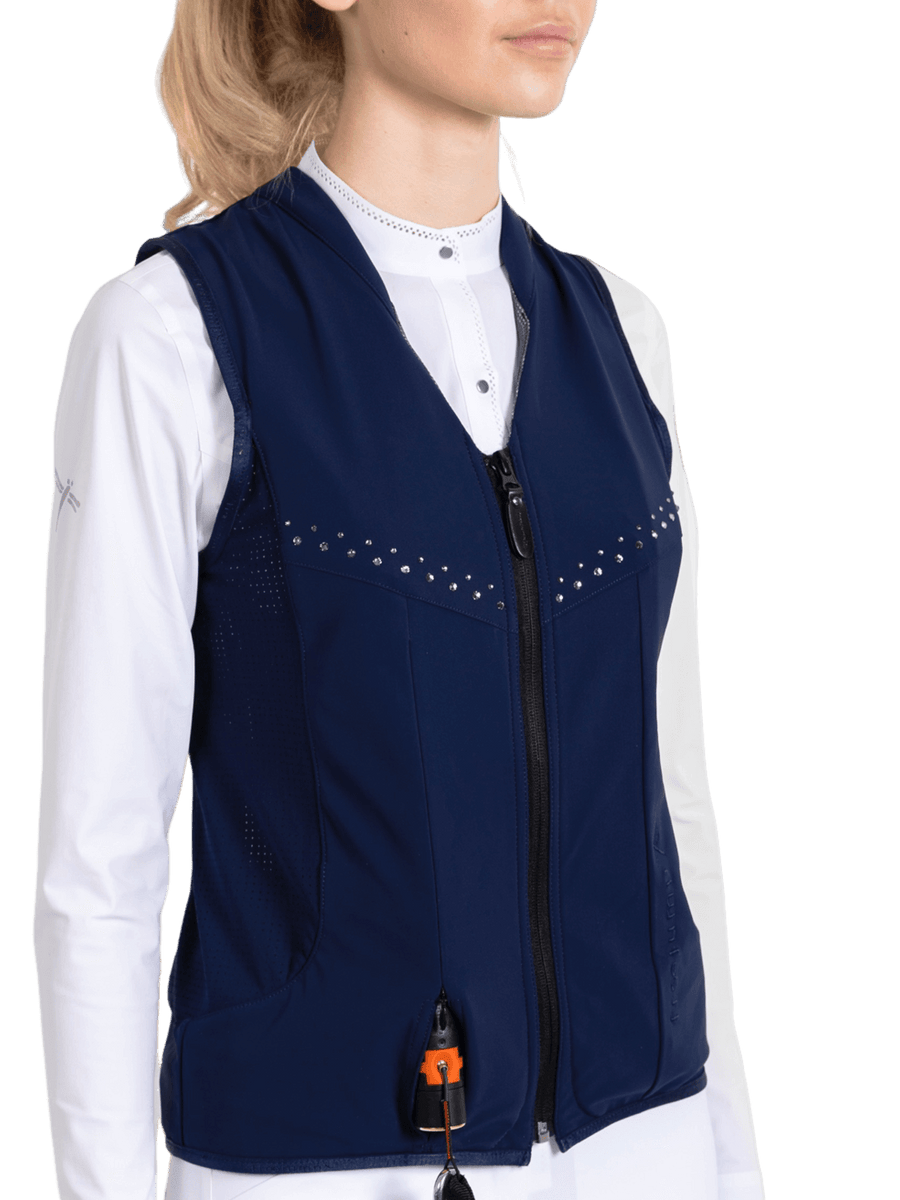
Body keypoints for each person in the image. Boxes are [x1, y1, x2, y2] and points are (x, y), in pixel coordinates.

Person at [32, 2, 766, 1199]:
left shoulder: (624, 332)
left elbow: (675, 809)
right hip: (317, 1167)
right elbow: (99, 869)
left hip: (649, 1150)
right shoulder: (173, 339)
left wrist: (735, 1168)